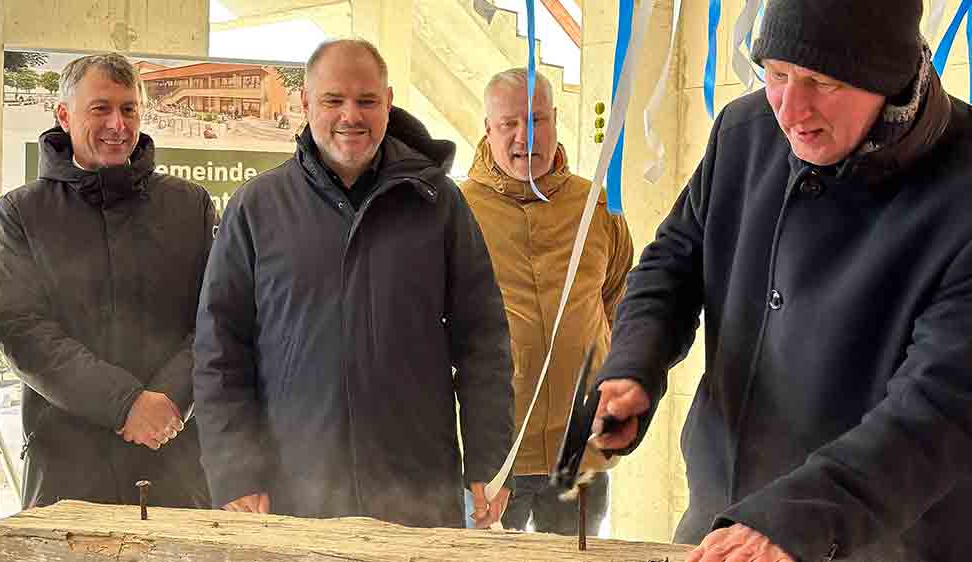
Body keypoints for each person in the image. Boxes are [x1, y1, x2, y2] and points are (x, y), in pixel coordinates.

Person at [590, 1, 972, 560]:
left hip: (884, 536)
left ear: (887, 79)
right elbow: (673, 260)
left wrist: (795, 520)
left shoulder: (961, 187)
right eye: (777, 73)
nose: (792, 110)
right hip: (723, 523)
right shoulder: (743, 134)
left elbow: (942, 405)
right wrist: (634, 363)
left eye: (822, 81)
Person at [193, 39, 514, 528]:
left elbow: (482, 338)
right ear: (305, 104)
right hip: (295, 488)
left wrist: (490, 457)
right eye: (333, 100)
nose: (351, 115)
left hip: (415, 485)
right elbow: (220, 348)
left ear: (388, 102)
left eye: (366, 101)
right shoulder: (256, 208)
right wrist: (235, 470)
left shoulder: (437, 205)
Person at [0, 53, 215, 510]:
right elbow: (23, 331)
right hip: (67, 463)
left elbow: (215, 319)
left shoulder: (190, 206)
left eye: (129, 108)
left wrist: (171, 399)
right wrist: (125, 404)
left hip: (174, 457)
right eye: (101, 108)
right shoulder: (21, 213)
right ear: (64, 114)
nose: (118, 124)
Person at [460, 68, 633, 535]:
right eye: (508, 124)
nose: (525, 136)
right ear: (487, 128)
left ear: (555, 119)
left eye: (537, 120)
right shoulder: (457, 212)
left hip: (580, 449)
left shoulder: (597, 205)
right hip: (496, 456)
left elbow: (617, 297)